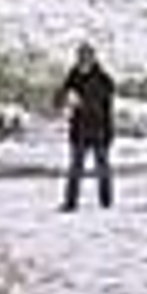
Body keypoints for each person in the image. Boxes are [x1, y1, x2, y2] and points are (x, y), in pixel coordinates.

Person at [55, 42, 116, 211]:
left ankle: (106, 202)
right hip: (78, 131)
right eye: (81, 56)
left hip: (99, 130)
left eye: (86, 56)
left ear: (92, 58)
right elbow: (58, 100)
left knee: (103, 169)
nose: (83, 59)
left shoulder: (103, 79)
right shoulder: (72, 77)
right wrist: (64, 97)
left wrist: (110, 132)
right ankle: (71, 203)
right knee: (75, 170)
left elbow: (107, 108)